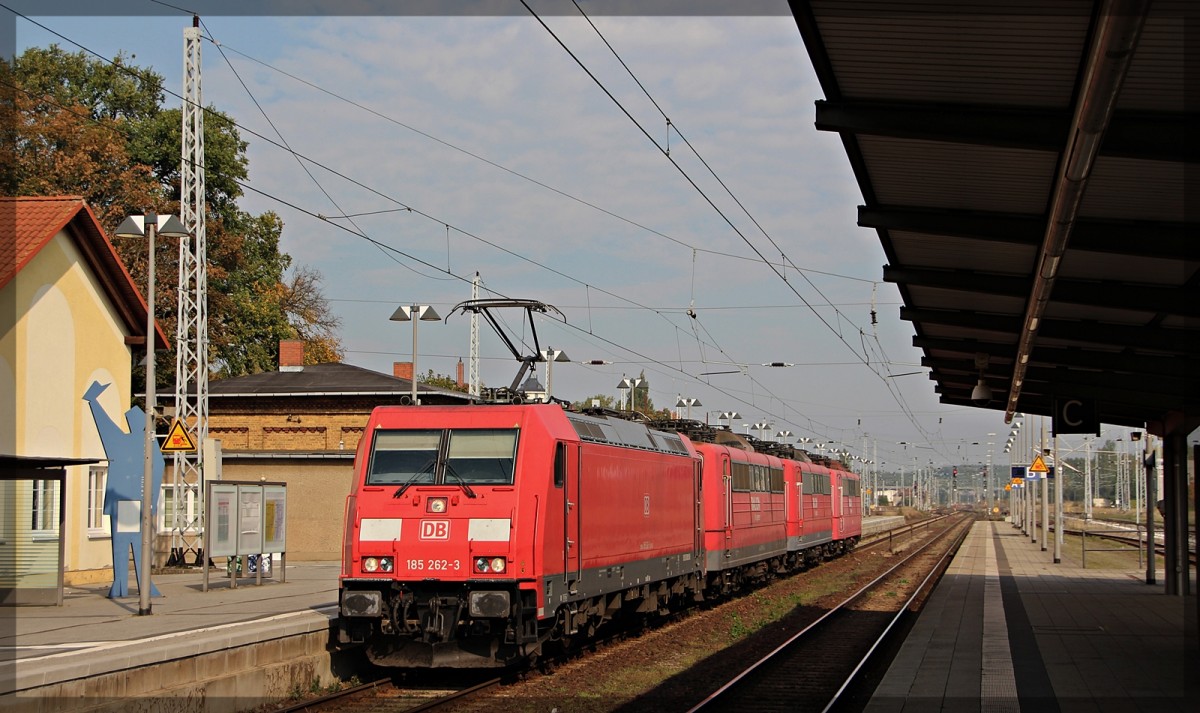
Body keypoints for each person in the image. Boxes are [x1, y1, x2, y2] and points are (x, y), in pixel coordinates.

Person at [83, 380, 163, 599]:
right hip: (133, 501)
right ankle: (139, 584)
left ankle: (122, 584)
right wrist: (151, 502)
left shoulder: (124, 442)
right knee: (136, 543)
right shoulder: (147, 445)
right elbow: (158, 469)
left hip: (125, 502)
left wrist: (93, 401)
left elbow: (105, 426)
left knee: (125, 544)